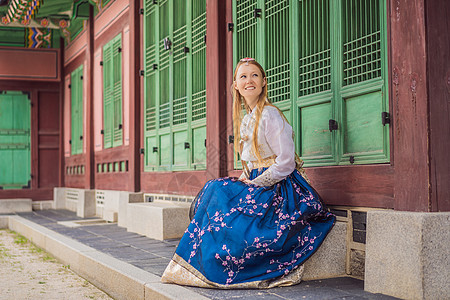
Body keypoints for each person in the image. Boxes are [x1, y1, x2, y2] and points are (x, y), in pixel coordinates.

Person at [161, 58, 335, 289]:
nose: (249, 80)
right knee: (216, 191)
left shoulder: (270, 115)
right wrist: (246, 180)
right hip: (259, 182)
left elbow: (285, 163)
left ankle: (216, 267)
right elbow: (252, 163)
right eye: (243, 76)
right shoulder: (248, 119)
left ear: (263, 82)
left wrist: (256, 184)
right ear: (235, 85)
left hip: (280, 187)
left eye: (254, 75)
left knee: (218, 192)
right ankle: (207, 264)